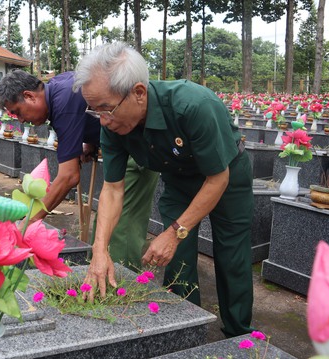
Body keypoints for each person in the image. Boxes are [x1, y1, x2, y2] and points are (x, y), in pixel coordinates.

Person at [74, 42, 254, 337]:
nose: (103, 120)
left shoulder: (194, 105)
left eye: (106, 109)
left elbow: (216, 180)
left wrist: (174, 231)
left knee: (231, 255)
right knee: (176, 259)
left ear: (139, 93)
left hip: (226, 175)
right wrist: (100, 249)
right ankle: (183, 328)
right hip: (179, 180)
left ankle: (239, 333)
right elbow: (112, 189)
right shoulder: (113, 124)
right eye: (95, 112)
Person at [0, 70, 159, 270]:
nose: (19, 120)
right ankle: (100, 278)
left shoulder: (62, 103)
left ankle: (122, 290)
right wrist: (90, 141)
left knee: (119, 228)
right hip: (122, 148)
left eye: (18, 111)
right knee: (104, 228)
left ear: (29, 96)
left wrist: (30, 221)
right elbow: (88, 113)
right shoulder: (58, 87)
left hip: (136, 152)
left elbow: (69, 176)